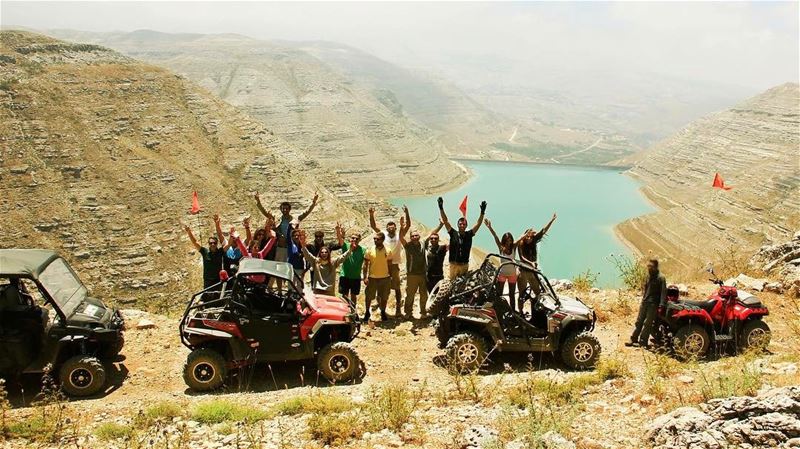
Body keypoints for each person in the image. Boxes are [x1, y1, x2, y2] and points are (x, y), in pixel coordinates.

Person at [254, 191, 319, 263]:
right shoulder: (277, 218)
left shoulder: (295, 219)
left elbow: (306, 212)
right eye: (283, 209)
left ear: (289, 209)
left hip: (292, 246)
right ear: (281, 209)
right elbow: (265, 212)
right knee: (279, 265)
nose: (284, 210)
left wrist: (313, 202)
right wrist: (258, 202)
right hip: (280, 246)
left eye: (286, 209)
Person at [438, 197, 486, 279]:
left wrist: (482, 212)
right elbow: (445, 221)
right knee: (452, 284)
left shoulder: (469, 234)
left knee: (462, 285)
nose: (462, 225)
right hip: (453, 264)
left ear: (466, 225)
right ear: (458, 225)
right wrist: (441, 208)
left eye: (464, 224)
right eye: (460, 224)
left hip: (464, 265)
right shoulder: (453, 233)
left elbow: (478, 224)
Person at [369, 206, 404, 318]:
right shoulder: (383, 234)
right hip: (383, 264)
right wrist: (371, 214)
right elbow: (374, 226)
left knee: (397, 287)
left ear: (395, 227)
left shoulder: (399, 236)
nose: (390, 227)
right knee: (382, 286)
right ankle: (381, 306)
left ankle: (398, 308)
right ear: (387, 227)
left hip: (394, 265)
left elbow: (407, 227)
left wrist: (405, 217)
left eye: (392, 225)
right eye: (389, 225)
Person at [626, 259, 667, 348]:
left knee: (647, 324)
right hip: (645, 302)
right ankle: (633, 339)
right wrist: (643, 299)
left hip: (653, 304)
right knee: (639, 322)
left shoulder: (661, 278)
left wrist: (661, 306)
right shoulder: (648, 276)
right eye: (648, 266)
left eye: (651, 266)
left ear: (656, 267)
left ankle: (643, 342)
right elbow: (645, 289)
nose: (649, 268)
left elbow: (663, 293)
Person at [300, 230, 353, 296]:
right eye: (322, 252)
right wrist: (302, 243)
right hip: (316, 276)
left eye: (326, 252)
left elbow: (342, 253)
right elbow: (306, 254)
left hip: (329, 289)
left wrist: (341, 237)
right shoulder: (314, 257)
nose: (324, 254)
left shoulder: (332, 261)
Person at [517, 213, 557, 299]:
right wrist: (531, 263)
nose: (529, 238)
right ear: (524, 236)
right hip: (523, 270)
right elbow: (521, 257)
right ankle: (520, 311)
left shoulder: (534, 241)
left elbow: (543, 231)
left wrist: (552, 220)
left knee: (537, 292)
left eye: (530, 237)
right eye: (527, 236)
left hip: (532, 271)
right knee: (521, 293)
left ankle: (535, 309)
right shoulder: (520, 244)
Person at [399, 209, 428, 319]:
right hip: (412, 275)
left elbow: (432, 233)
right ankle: (408, 312)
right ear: (410, 238)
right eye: (413, 236)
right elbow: (401, 237)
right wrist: (402, 226)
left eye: (416, 235)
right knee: (410, 295)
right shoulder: (408, 246)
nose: (415, 237)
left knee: (423, 295)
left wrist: (440, 225)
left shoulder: (423, 243)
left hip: (423, 274)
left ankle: (423, 312)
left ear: (419, 236)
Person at [485, 218, 519, 312]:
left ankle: (513, 311)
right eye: (507, 240)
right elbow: (495, 236)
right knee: (499, 294)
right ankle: (498, 311)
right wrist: (490, 228)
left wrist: (527, 234)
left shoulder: (514, 247)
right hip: (502, 274)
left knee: (512, 295)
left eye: (510, 240)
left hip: (512, 274)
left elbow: (521, 238)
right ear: (504, 240)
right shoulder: (501, 248)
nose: (509, 242)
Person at [184, 218, 226, 289]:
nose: (212, 244)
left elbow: (228, 244)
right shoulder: (204, 251)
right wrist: (189, 232)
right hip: (207, 282)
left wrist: (217, 224)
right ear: (208, 244)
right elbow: (195, 242)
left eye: (214, 243)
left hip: (218, 281)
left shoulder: (220, 251)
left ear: (217, 244)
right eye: (211, 243)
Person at [362, 232, 393, 322]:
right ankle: (367, 312)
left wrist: (390, 276)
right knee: (368, 296)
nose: (375, 240)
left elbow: (390, 264)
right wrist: (365, 277)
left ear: (382, 240)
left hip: (385, 278)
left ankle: (383, 312)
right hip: (372, 278)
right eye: (374, 239)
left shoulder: (388, 250)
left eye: (377, 239)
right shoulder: (370, 250)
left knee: (384, 296)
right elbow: (365, 264)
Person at [339, 232, 365, 307]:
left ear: (359, 240)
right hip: (345, 275)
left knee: (354, 296)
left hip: (356, 277)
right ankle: (344, 311)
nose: (354, 240)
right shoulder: (346, 246)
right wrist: (338, 232)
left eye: (357, 239)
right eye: (353, 238)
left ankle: (353, 311)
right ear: (350, 239)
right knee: (344, 295)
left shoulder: (363, 250)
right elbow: (340, 240)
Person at [424, 219, 448, 293]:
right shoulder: (427, 248)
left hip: (439, 276)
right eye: (432, 238)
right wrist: (440, 226)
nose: (433, 239)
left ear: (438, 240)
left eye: (435, 238)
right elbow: (431, 235)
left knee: (439, 295)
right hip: (429, 277)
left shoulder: (442, 248)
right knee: (431, 295)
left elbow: (453, 242)